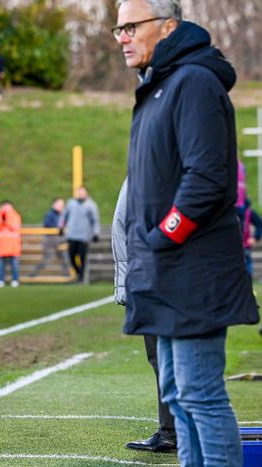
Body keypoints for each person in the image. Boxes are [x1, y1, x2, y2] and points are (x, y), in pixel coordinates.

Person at [114, 0, 260, 465]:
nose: (122, 36)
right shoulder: (161, 83)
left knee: (200, 395)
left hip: (193, 269)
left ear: (169, 26)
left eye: (132, 26)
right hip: (165, 270)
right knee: (177, 396)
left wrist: (162, 237)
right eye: (118, 27)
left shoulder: (193, 81)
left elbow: (207, 178)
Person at [112, 179, 177, 453]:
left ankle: (172, 431)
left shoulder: (145, 167)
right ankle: (178, 429)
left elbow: (121, 223)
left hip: (153, 278)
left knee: (164, 357)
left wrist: (124, 281)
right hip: (170, 276)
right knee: (175, 357)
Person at [60, 185, 100, 282]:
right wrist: (61, 227)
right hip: (72, 234)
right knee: (71, 255)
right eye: (79, 192)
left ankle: (81, 278)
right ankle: (78, 273)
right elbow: (64, 216)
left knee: (82, 257)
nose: (80, 194)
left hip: (84, 236)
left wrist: (96, 233)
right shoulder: (71, 203)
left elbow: (95, 220)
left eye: (82, 192)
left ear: (86, 193)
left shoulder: (91, 205)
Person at [30, 197, 70, 277]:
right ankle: (32, 275)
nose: (62, 206)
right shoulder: (50, 214)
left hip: (60, 241)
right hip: (50, 242)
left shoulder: (63, 215)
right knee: (47, 260)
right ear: (54, 204)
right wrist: (59, 228)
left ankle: (67, 277)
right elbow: (48, 225)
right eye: (59, 204)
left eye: (63, 204)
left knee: (65, 260)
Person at [0, 200, 21, 287]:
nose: (6, 209)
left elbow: (15, 227)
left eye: (8, 207)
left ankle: (15, 280)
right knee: (0, 264)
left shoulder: (15, 216)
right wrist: (1, 220)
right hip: (0, 245)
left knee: (14, 264)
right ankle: (1, 280)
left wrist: (7, 219)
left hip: (12, 245)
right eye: (4, 207)